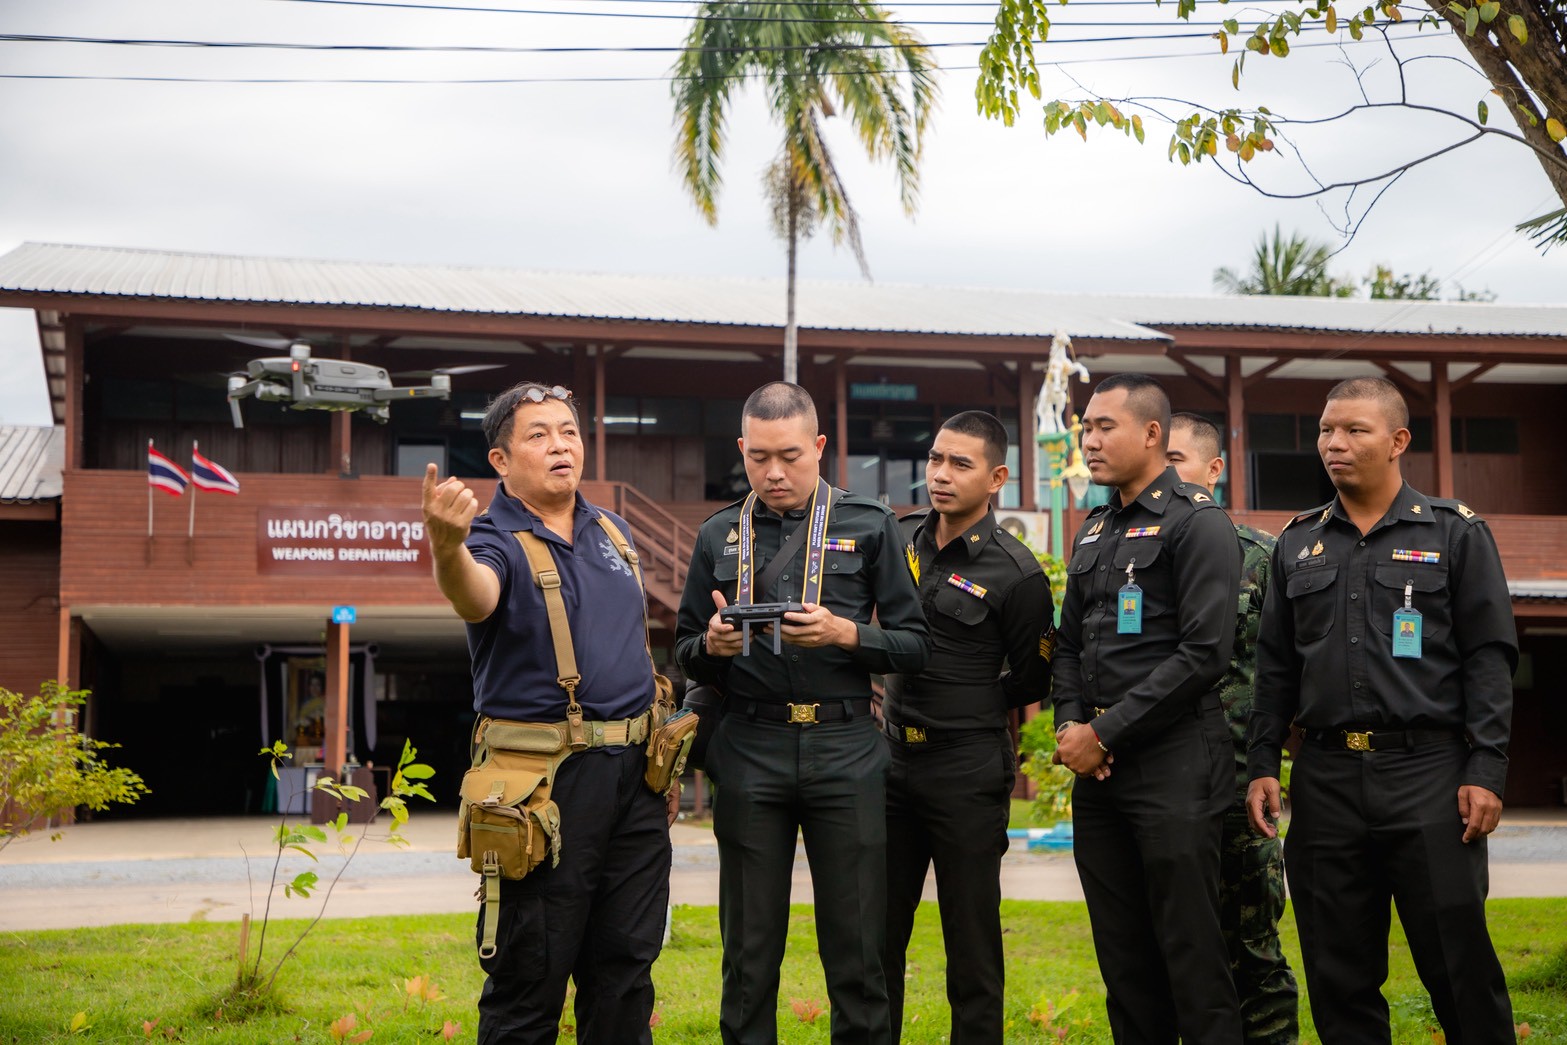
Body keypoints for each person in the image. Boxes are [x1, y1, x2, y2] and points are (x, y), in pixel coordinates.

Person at [1246, 377, 1518, 1043]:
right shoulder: (1297, 542)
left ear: (1397, 441)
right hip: (1326, 779)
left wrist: (1485, 768)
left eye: (1353, 430)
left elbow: (1488, 657)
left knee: (1457, 962)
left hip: (1428, 774)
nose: (1333, 443)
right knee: (1337, 971)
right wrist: (1262, 762)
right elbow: (1275, 665)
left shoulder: (1454, 533)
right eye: (1325, 429)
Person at [422, 381, 676, 1045]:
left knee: (626, 969)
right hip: (545, 787)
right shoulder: (493, 537)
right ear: (501, 460)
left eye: (568, 432)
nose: (561, 445)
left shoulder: (612, 529)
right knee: (529, 975)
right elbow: (475, 596)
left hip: (636, 781)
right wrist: (446, 548)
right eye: (538, 435)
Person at [675, 381, 929, 1045]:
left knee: (858, 946)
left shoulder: (869, 523)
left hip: (845, 746)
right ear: (741, 449)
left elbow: (915, 644)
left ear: (818, 446)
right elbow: (683, 649)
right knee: (748, 949)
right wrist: (711, 645)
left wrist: (846, 634)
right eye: (758, 457)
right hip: (750, 744)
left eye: (789, 455)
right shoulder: (718, 533)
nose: (774, 472)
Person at [1051, 373, 1243, 1043]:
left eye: (1105, 426)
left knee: (1191, 952)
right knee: (1124, 958)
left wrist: (1103, 732)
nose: (1090, 440)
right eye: (1086, 427)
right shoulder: (1094, 527)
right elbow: (1067, 643)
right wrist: (1070, 726)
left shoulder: (1198, 523)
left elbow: (1203, 653)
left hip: (1174, 762)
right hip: (1099, 771)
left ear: (1152, 433)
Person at [882, 410, 1055, 1044]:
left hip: (966, 769)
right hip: (891, 766)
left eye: (960, 463)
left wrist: (970, 704)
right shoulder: (898, 539)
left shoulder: (1017, 572)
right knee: (876, 935)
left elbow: (1032, 677)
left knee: (972, 940)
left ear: (996, 478)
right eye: (935, 459)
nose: (941, 474)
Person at [1166, 412, 1299, 1045]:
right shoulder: (1131, 553)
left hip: (1239, 783)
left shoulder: (1261, 556)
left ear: (1214, 469)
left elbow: (1291, 669)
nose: (1164, 475)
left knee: (1251, 945)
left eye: (1176, 460)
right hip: (1161, 786)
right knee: (1168, 945)